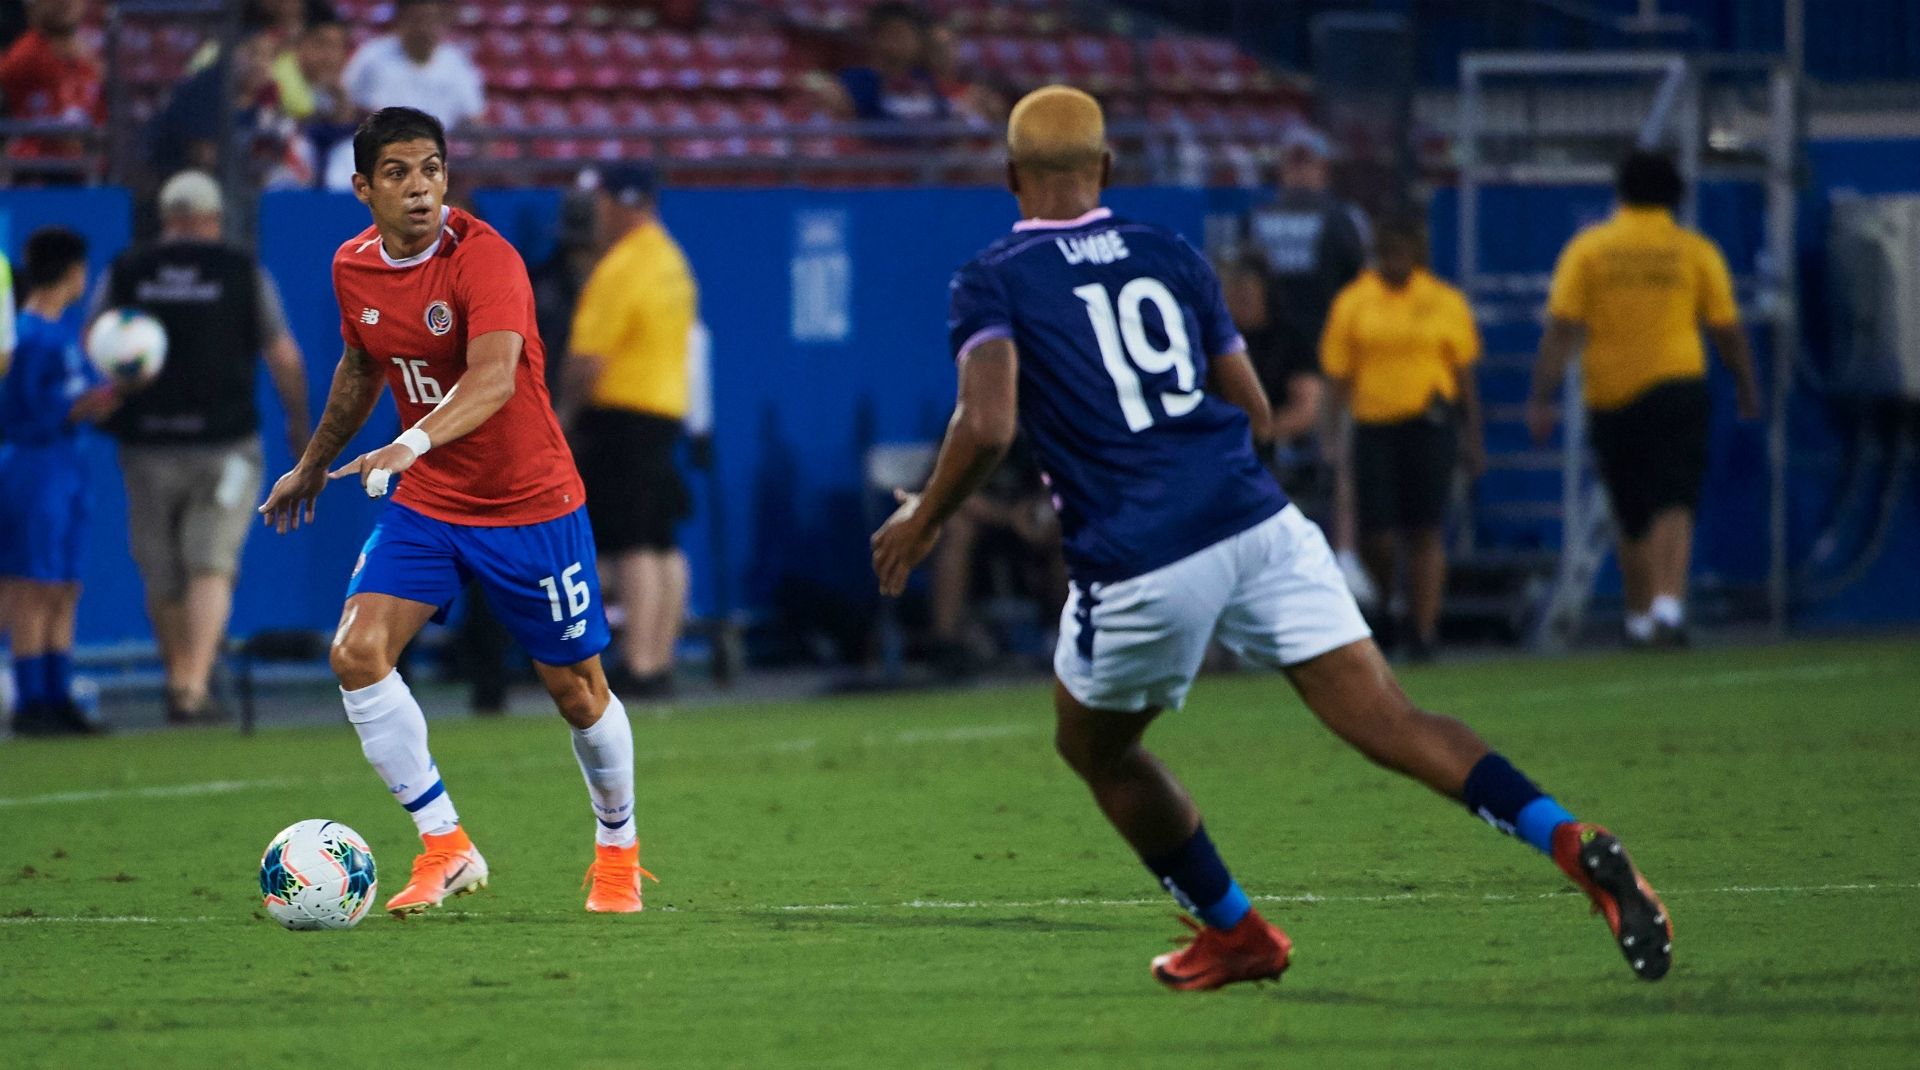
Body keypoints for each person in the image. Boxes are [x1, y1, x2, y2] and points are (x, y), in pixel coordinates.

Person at [871, 85, 1672, 991]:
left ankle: (1237, 932)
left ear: (1009, 175)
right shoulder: (1170, 252)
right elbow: (1251, 409)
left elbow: (987, 425)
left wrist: (923, 518)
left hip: (1141, 554)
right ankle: (1569, 837)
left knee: (1095, 749)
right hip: (1258, 520)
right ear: (1108, 170)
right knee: (1392, 718)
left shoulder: (992, 277)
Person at [258, 107, 650, 916]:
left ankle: (617, 854)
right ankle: (446, 843)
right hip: (431, 504)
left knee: (577, 691)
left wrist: (407, 446)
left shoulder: (488, 259)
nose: (420, 188)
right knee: (357, 653)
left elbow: (494, 378)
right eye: (398, 173)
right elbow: (362, 364)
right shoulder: (353, 267)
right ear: (363, 187)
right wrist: (314, 462)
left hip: (528, 502)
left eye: (431, 168)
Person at [94, 170, 310, 724]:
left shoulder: (128, 271)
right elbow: (283, 354)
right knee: (210, 563)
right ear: (214, 219)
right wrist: (299, 423)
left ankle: (178, 678)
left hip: (146, 444)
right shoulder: (241, 272)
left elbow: (97, 345)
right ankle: (191, 687)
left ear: (166, 218)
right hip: (226, 442)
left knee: (162, 570)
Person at [1529, 150, 1761, 648]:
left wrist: (1541, 395)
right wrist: (1745, 383)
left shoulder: (1590, 249)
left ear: (1622, 192)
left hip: (1610, 392)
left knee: (1628, 505)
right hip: (1678, 384)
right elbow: (1727, 328)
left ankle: (1639, 616)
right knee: (1673, 498)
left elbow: (1561, 327)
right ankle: (1666, 607)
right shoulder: (1694, 251)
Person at [563, 164, 702, 699]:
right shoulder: (670, 259)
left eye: (600, 203)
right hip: (665, 411)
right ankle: (660, 657)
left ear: (622, 203)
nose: (595, 214)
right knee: (663, 541)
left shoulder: (622, 266)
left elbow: (588, 360)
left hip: (622, 414)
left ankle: (640, 663)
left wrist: (566, 416)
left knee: (632, 543)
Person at [1321, 216, 1484, 660]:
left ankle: (1423, 630)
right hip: (1375, 425)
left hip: (1429, 424)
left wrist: (1474, 438)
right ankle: (1390, 601)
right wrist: (1330, 435)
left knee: (1426, 529)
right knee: (1379, 536)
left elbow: (1464, 374)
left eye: (1402, 252)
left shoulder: (1443, 300)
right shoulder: (1355, 302)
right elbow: (1337, 375)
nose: (1395, 262)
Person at [1241, 124, 1373, 597]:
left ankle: (1345, 554)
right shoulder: (1260, 217)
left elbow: (1362, 289)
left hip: (1330, 356)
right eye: (1292, 161)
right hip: (1269, 357)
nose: (1298, 171)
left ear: (1323, 166)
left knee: (1338, 458)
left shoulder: (1341, 220)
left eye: (1306, 161)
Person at [0, 226, 117, 736]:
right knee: (32, 584)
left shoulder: (61, 334)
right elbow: (30, 412)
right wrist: (97, 399)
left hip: (67, 467)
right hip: (33, 466)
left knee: (65, 584)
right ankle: (31, 700)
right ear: (73, 272)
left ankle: (56, 691)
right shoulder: (25, 337)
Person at [341, 0, 485, 131]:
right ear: (401, 20)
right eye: (417, 19)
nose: (424, 28)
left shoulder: (456, 63)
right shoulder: (372, 56)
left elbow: (475, 119)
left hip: (441, 151)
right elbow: (349, 106)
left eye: (431, 20)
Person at [0, 0, 102, 167]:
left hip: (90, 174)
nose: (64, 3)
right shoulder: (25, 54)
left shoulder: (93, 62)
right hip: (34, 172)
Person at [834, 2, 946, 123]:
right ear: (874, 38)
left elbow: (943, 123)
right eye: (897, 34)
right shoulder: (856, 80)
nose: (907, 42)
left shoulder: (924, 79)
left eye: (912, 36)